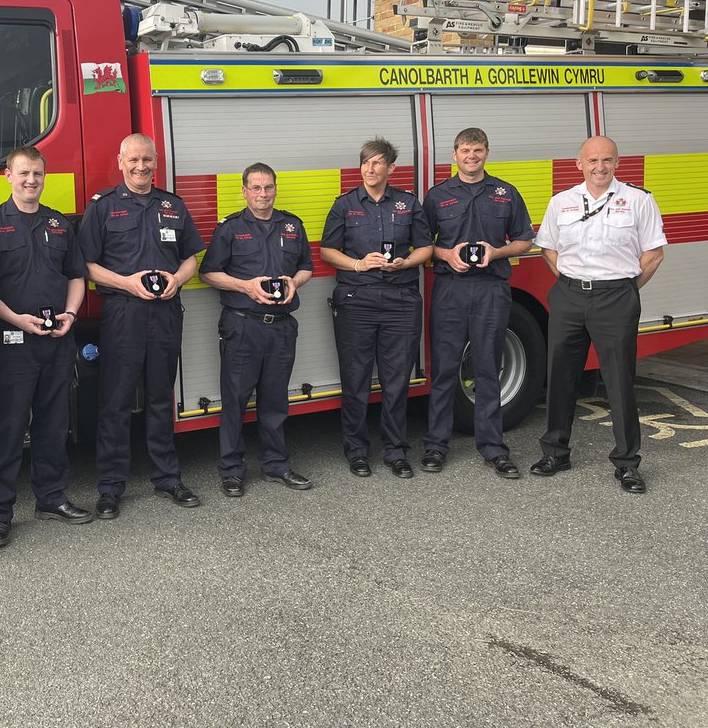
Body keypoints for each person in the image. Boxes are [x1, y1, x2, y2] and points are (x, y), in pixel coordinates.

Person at [77, 133, 205, 518]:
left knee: (161, 398)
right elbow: (86, 266)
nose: (140, 166)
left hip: (165, 314)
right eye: (133, 159)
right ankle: (110, 487)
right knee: (115, 401)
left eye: (147, 159)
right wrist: (126, 283)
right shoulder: (102, 207)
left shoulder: (173, 206)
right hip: (123, 314)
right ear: (120, 162)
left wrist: (177, 279)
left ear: (156, 161)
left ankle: (168, 478)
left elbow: (191, 258)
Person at [0, 146, 91, 548]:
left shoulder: (59, 224)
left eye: (37, 174)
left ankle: (51, 499)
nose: (30, 180)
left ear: (44, 176)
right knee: (7, 430)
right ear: (8, 176)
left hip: (56, 342)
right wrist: (17, 320)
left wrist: (70, 315)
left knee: (54, 425)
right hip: (11, 343)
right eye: (23, 173)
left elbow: (76, 276)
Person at [531, 136, 665, 493]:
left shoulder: (638, 200)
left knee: (619, 382)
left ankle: (627, 463)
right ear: (579, 164)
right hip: (570, 296)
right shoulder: (561, 201)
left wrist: (624, 290)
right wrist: (572, 282)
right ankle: (555, 453)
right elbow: (548, 249)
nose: (599, 167)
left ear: (617, 163)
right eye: (592, 160)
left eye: (607, 160)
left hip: (616, 297)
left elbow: (653, 254)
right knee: (560, 375)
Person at [421, 128, 535, 478]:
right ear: (454, 155)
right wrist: (447, 254)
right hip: (451, 289)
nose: (471, 156)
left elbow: (525, 240)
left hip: (491, 290)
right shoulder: (437, 196)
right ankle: (436, 446)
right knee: (444, 370)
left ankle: (493, 448)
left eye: (478, 150)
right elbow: (421, 244)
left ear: (487, 153)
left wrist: (495, 252)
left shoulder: (505, 193)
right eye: (465, 150)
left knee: (487, 369)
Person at [319, 138, 433, 479]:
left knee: (396, 381)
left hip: (401, 300)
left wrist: (406, 262)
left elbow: (426, 247)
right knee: (355, 381)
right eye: (366, 163)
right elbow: (327, 250)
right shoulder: (344, 205)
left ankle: (396, 452)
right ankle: (356, 452)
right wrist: (358, 264)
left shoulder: (408, 203)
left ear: (390, 168)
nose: (370, 169)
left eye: (378, 162)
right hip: (357, 301)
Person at [200, 163, 315, 497]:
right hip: (243, 325)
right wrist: (245, 286)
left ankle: (275, 464)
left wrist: (295, 282)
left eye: (268, 187)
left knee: (275, 400)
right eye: (256, 188)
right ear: (244, 191)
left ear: (275, 189)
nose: (263, 194)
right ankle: (232, 470)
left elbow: (306, 266)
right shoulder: (230, 228)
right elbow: (208, 272)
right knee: (235, 400)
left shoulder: (292, 225)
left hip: (281, 327)